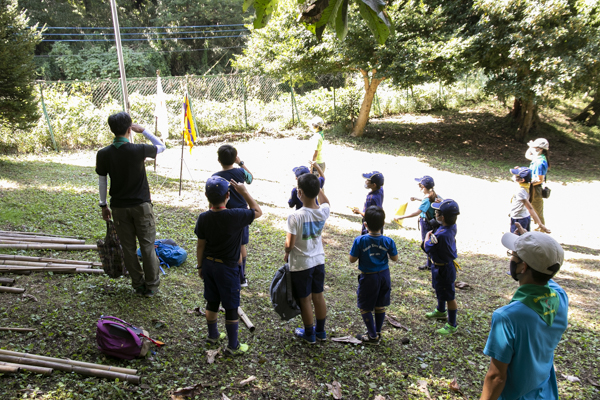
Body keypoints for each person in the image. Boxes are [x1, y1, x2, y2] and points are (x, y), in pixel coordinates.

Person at [480, 231, 568, 400]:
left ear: (523, 266)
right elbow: (545, 271)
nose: (510, 259)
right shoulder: (560, 297)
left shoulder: (507, 318)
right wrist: (534, 243)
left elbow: (496, 377)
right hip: (545, 392)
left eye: (513, 255)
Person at [96, 112, 166, 297]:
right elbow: (161, 147)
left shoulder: (103, 154)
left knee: (127, 248)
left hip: (118, 208)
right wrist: (144, 131)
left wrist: (103, 206)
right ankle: (151, 286)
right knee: (147, 246)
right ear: (130, 129)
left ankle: (138, 284)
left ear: (111, 129)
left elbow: (102, 181)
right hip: (142, 206)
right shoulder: (139, 149)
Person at [194, 176, 262, 356]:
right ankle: (233, 346)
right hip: (228, 269)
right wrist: (245, 191)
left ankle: (213, 336)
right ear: (228, 195)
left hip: (209, 265)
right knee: (231, 306)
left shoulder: (203, 218)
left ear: (206, 195)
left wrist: (200, 266)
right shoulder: (237, 215)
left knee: (212, 301)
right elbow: (257, 211)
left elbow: (200, 245)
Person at [285, 173, 331, 344]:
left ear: (300, 192)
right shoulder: (323, 212)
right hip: (318, 260)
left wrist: (286, 252)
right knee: (318, 296)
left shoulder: (295, 216)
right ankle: (321, 331)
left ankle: (309, 333)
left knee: (305, 299)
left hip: (301, 263)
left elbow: (289, 244)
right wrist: (319, 188)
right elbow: (326, 202)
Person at [349, 206, 398, 345]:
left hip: (369, 277)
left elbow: (352, 259)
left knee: (365, 307)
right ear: (383, 224)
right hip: (384, 276)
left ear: (365, 224)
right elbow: (395, 258)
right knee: (380, 305)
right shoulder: (388, 241)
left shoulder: (360, 240)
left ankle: (372, 336)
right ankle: (377, 331)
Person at [212, 144, 253, 287]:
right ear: (234, 157)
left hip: (225, 213)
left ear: (219, 160)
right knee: (241, 244)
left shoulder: (215, 177)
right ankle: (242, 277)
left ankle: (232, 273)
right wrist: (240, 162)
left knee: (230, 245)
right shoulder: (241, 172)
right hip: (242, 214)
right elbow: (251, 178)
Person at [422, 199, 460, 336]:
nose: (435, 214)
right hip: (441, 266)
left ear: (442, 217)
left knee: (449, 296)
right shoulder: (451, 226)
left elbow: (427, 247)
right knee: (440, 290)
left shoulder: (441, 234)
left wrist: (427, 237)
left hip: (444, 269)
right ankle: (440, 311)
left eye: (437, 212)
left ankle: (452, 324)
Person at [394, 176, 440, 270]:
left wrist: (401, 217)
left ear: (423, 187)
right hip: (432, 223)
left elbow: (417, 212)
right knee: (429, 243)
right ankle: (431, 263)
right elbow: (430, 201)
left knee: (426, 244)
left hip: (426, 223)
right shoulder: (434, 195)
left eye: (420, 186)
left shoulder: (427, 199)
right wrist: (417, 199)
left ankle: (431, 264)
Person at [508, 167, 550, 235]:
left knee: (517, 241)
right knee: (525, 238)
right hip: (524, 217)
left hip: (519, 219)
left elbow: (530, 208)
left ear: (522, 180)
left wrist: (540, 224)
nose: (514, 177)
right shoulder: (528, 186)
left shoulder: (521, 191)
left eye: (516, 176)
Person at [525, 138, 549, 228]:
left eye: (535, 147)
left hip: (535, 188)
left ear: (540, 149)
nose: (533, 149)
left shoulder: (540, 162)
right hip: (532, 187)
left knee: (537, 212)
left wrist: (528, 184)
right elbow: (527, 155)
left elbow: (540, 180)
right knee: (530, 210)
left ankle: (542, 231)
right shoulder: (537, 157)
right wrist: (530, 146)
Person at [352, 171, 384, 235]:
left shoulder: (371, 199)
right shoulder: (380, 189)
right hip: (378, 225)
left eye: (368, 180)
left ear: (374, 185)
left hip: (370, 227)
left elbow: (370, 215)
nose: (366, 181)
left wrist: (358, 211)